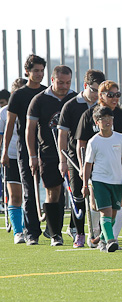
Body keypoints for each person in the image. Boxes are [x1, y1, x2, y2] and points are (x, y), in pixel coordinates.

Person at [76, 80, 122, 241]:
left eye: (117, 94)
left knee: (115, 210)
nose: (114, 98)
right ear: (101, 95)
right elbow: (81, 144)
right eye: (110, 95)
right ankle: (102, 237)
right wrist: (84, 172)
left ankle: (105, 238)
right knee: (100, 208)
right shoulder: (89, 116)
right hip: (97, 175)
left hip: (116, 175)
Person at [26, 65, 77, 246]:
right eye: (61, 82)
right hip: (48, 153)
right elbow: (30, 130)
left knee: (78, 192)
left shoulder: (74, 98)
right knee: (52, 192)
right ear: (53, 80)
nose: (64, 86)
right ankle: (55, 234)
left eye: (68, 82)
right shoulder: (39, 100)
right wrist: (32, 156)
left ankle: (75, 229)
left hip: (72, 154)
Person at [1, 54, 47, 246]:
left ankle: (54, 231)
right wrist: (4, 152)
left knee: (52, 189)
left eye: (42, 71)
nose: (39, 74)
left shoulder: (47, 93)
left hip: (46, 148)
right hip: (24, 148)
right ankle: (31, 232)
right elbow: (10, 125)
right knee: (27, 189)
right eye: (36, 70)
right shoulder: (18, 95)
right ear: (27, 72)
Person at [58, 69, 106, 247]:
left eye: (99, 92)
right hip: (75, 157)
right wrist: (62, 160)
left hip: (100, 158)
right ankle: (79, 233)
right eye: (93, 90)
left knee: (99, 196)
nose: (96, 95)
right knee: (79, 194)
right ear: (85, 86)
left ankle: (99, 232)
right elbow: (62, 135)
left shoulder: (103, 106)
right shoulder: (71, 106)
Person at [82, 106, 122, 253]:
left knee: (114, 213)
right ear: (97, 122)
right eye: (104, 119)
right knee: (106, 211)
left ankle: (102, 240)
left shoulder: (120, 138)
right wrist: (85, 184)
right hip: (99, 181)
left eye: (110, 118)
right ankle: (111, 240)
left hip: (116, 181)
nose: (108, 121)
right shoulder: (93, 141)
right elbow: (88, 164)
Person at [0, 78, 27, 243]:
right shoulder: (4, 113)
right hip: (12, 157)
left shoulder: (34, 108)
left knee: (29, 196)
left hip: (30, 156)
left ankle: (29, 228)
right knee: (15, 195)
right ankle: (18, 231)